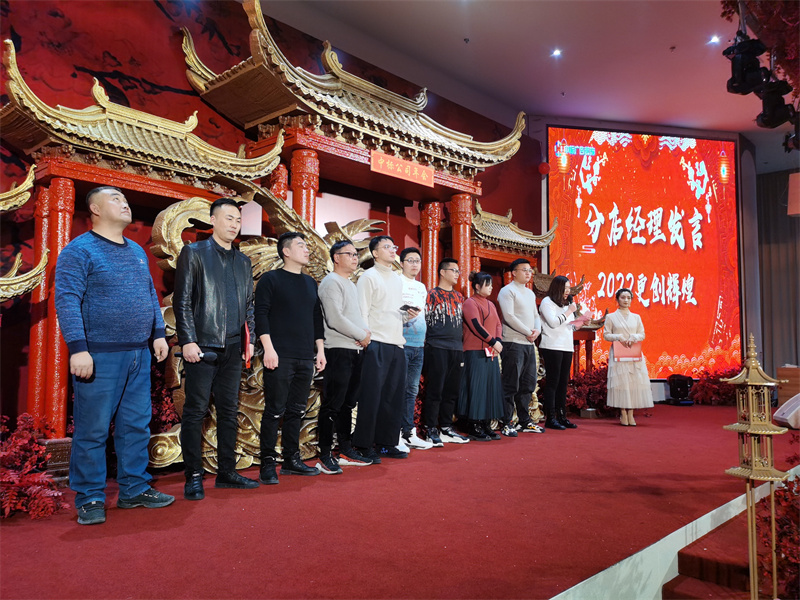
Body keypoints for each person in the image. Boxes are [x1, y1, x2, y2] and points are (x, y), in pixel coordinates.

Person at [55, 186, 174, 525]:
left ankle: (134, 488)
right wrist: (79, 348)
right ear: (94, 209)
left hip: (139, 353)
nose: (124, 203)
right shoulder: (79, 250)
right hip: (99, 355)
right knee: (92, 430)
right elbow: (66, 300)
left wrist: (158, 333)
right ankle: (90, 496)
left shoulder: (136, 250)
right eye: (115, 199)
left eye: (124, 199)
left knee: (135, 425)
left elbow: (149, 294)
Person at [173, 197, 260, 500]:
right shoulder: (194, 253)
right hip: (202, 346)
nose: (235, 224)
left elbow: (249, 306)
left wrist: (250, 341)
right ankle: (193, 476)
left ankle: (226, 472)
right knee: (195, 411)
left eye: (238, 219)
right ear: (213, 220)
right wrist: (188, 340)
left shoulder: (243, 261)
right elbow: (182, 301)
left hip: (235, 348)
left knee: (229, 411)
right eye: (229, 218)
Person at [255, 232, 326, 482]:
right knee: (274, 410)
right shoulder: (270, 279)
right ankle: (267, 464)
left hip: (306, 356)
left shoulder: (310, 283)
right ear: (286, 251)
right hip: (279, 355)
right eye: (301, 245)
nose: (307, 250)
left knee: (297, 410)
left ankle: (291, 460)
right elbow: (261, 314)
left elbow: (316, 318)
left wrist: (320, 350)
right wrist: (268, 348)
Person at [351, 235, 415, 461]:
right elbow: (362, 311)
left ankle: (387, 443)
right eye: (386, 247)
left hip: (397, 343)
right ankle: (363, 445)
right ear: (375, 253)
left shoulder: (397, 279)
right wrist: (365, 338)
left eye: (393, 246)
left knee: (393, 397)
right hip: (375, 342)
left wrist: (407, 315)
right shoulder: (368, 277)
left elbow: (393, 311)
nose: (392, 250)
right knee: (371, 396)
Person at [317, 240, 373, 471]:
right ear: (336, 257)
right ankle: (324, 453)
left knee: (348, 404)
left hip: (355, 349)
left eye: (355, 254)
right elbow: (334, 319)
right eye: (349, 254)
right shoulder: (331, 282)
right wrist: (362, 334)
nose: (354, 258)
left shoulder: (350, 283)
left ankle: (345, 448)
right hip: (338, 349)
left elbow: (355, 316)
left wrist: (365, 334)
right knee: (333, 404)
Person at [423, 258, 470, 445]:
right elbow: (426, 320)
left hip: (456, 348)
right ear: (442, 272)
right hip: (437, 347)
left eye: (458, 271)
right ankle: (430, 428)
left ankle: (446, 427)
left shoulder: (459, 297)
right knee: (435, 390)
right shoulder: (432, 294)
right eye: (454, 270)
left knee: (452, 390)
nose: (457, 274)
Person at [497, 258, 544, 436]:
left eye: (530, 270)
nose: (528, 273)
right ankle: (506, 422)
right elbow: (509, 316)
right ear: (513, 273)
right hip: (513, 343)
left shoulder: (530, 293)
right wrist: (528, 331)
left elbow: (536, 315)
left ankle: (524, 421)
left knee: (527, 384)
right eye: (524, 270)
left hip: (529, 344)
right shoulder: (507, 291)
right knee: (510, 384)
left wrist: (537, 331)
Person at [538, 275, 591, 430]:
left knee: (563, 383)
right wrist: (569, 311)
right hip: (552, 346)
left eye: (569, 288)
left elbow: (570, 327)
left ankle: (562, 416)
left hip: (566, 346)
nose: (568, 291)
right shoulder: (547, 302)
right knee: (553, 382)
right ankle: (550, 418)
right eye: (565, 288)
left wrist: (582, 322)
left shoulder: (566, 305)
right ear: (557, 287)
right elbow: (553, 323)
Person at [457, 272, 504, 441]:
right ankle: (474, 424)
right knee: (476, 389)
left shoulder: (491, 304)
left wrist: (498, 341)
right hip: (474, 352)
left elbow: (498, 325)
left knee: (489, 389)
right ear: (477, 286)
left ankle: (485, 423)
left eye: (491, 284)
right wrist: (493, 341)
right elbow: (475, 325)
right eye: (487, 284)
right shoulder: (470, 302)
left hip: (491, 352)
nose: (490, 287)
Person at [398, 247, 433, 451]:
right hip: (401, 342)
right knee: (398, 388)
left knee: (412, 390)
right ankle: (395, 433)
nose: (414, 264)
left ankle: (408, 432)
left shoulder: (421, 287)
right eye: (410, 260)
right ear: (401, 263)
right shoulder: (396, 282)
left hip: (419, 344)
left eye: (417, 261)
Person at [603, 288, 654, 425]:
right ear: (617, 299)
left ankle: (631, 413)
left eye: (628, 298)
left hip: (633, 352)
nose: (626, 300)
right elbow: (606, 335)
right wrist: (618, 337)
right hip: (618, 352)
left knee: (633, 382)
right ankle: (623, 413)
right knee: (621, 382)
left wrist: (634, 337)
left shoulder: (636, 317)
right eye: (623, 297)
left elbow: (642, 334)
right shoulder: (611, 317)